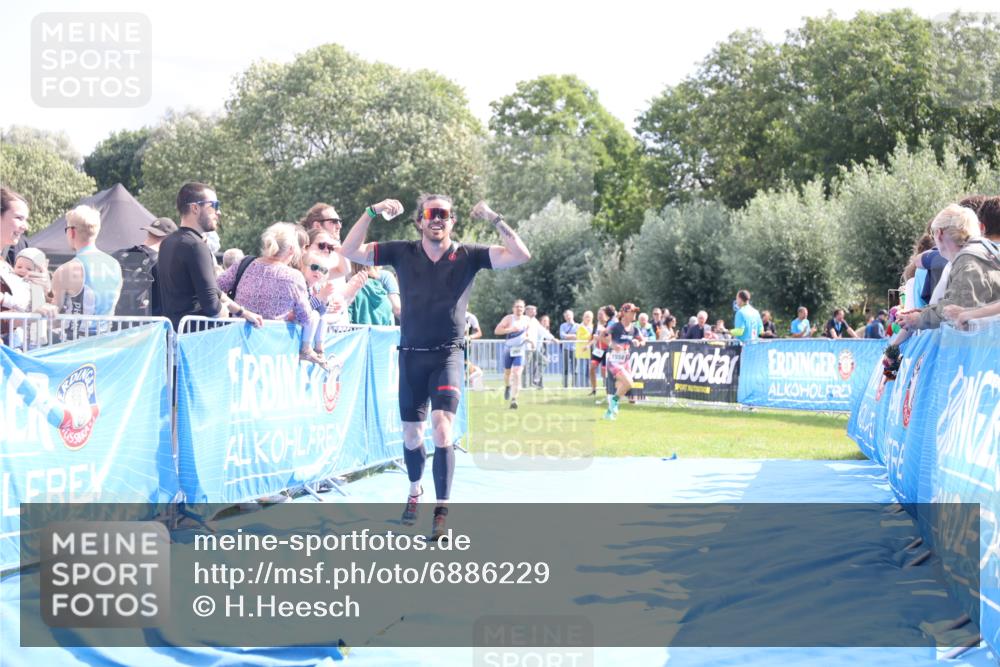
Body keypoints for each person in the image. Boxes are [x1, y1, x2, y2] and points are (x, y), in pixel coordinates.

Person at [340, 194, 530, 539]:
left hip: (447, 355)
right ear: (420, 221)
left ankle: (442, 510)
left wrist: (493, 217)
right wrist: (372, 211)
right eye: (431, 213)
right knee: (412, 435)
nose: (437, 219)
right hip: (412, 355)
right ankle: (415, 491)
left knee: (442, 429)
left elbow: (520, 255)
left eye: (444, 214)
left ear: (452, 221)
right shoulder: (402, 252)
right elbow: (350, 250)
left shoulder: (468, 255)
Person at [218, 222, 328, 366]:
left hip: (236, 344)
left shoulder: (244, 263)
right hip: (272, 355)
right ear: (291, 249)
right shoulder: (293, 277)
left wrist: (237, 310)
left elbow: (215, 288)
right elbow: (305, 317)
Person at [158, 182, 262, 330]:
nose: (218, 212)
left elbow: (213, 290)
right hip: (196, 336)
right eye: (214, 205)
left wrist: (242, 312)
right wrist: (226, 315)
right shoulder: (196, 245)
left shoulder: (167, 242)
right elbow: (212, 306)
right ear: (195, 208)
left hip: (172, 333)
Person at [897, 204, 1000, 331]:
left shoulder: (968, 261)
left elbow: (955, 312)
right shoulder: (984, 253)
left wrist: (919, 318)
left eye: (932, 233)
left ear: (939, 233)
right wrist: (922, 313)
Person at [50, 205, 123, 334]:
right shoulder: (115, 265)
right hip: (105, 337)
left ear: (72, 232)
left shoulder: (66, 269)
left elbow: (54, 312)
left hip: (75, 340)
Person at [113, 216, 178, 316]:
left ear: (149, 233)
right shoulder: (163, 263)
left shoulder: (120, 255)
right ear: (169, 240)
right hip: (149, 323)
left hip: (118, 320)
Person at [599, 302, 646, 420]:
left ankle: (609, 413)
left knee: (623, 386)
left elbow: (643, 341)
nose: (635, 314)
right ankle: (614, 403)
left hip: (625, 362)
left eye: (635, 312)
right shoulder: (616, 326)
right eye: (632, 312)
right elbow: (601, 336)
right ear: (624, 313)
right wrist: (612, 345)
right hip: (614, 361)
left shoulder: (635, 329)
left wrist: (638, 342)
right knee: (629, 383)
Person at [495, 299, 531, 409]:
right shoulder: (508, 318)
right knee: (507, 373)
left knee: (517, 373)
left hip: (520, 350)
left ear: (524, 309)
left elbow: (527, 333)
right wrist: (510, 329)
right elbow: (497, 331)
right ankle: (507, 386)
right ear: (513, 308)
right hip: (508, 349)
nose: (519, 309)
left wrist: (528, 339)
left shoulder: (527, 319)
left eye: (521, 307)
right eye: (517, 306)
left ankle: (514, 399)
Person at [559, 309, 580, 387]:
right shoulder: (562, 326)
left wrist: (568, 336)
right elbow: (562, 335)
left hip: (575, 349)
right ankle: (565, 385)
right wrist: (573, 336)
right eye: (566, 315)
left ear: (572, 315)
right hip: (566, 348)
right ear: (564, 317)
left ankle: (574, 385)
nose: (568, 317)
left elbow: (579, 336)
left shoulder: (578, 326)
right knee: (565, 367)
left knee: (575, 368)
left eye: (569, 315)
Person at [574, 310, 593, 388]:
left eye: (590, 317)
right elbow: (581, 337)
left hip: (590, 352)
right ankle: (581, 385)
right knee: (581, 370)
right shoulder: (580, 327)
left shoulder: (592, 326)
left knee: (589, 370)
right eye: (587, 317)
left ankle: (588, 385)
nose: (588, 319)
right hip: (582, 352)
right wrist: (592, 337)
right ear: (583, 318)